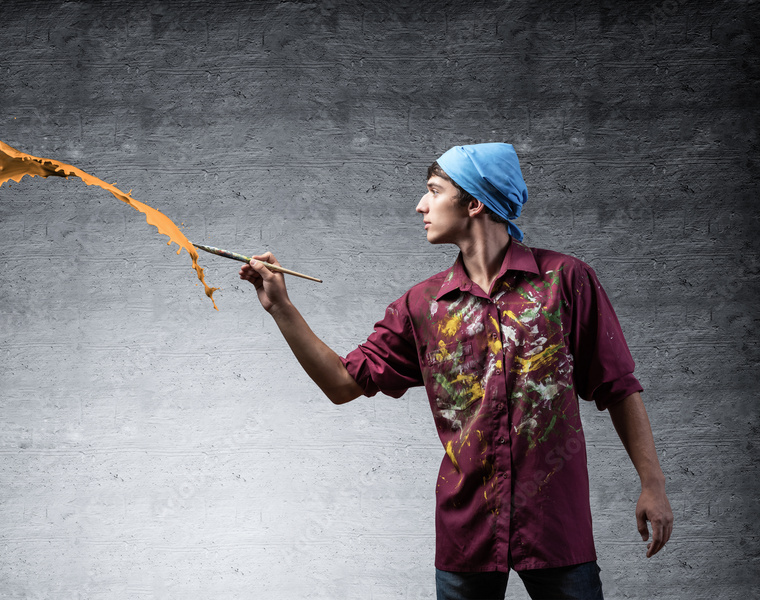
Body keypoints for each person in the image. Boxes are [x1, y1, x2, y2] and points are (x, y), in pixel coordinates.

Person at [238, 143, 673, 600]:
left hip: (556, 529)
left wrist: (653, 485)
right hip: (467, 536)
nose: (420, 205)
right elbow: (344, 384)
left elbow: (618, 387)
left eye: (433, 191)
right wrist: (280, 308)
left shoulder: (565, 281)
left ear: (474, 202)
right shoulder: (421, 306)